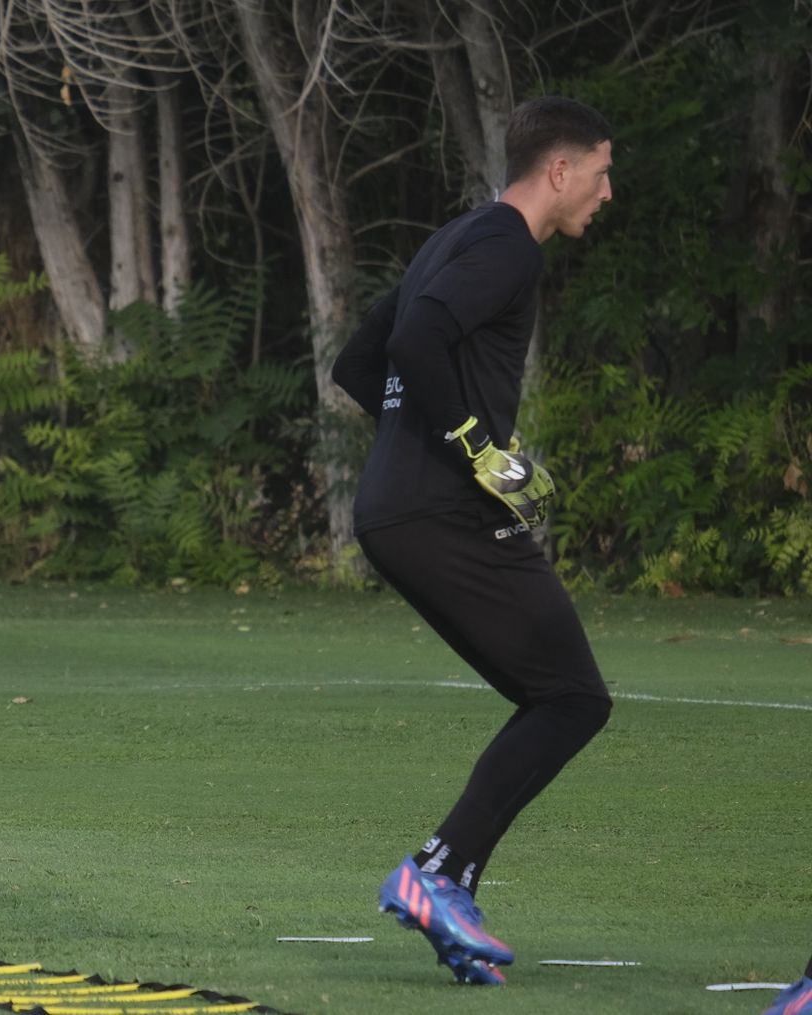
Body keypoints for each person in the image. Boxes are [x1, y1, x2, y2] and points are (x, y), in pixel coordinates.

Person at [331, 96, 615, 985]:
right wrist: (475, 448)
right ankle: (438, 874)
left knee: (556, 695)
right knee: (573, 698)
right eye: (602, 174)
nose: (607, 193)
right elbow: (414, 340)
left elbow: (357, 361)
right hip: (438, 511)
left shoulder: (452, 240)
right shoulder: (505, 248)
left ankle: (448, 892)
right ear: (559, 171)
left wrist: (428, 445)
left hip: (399, 510)